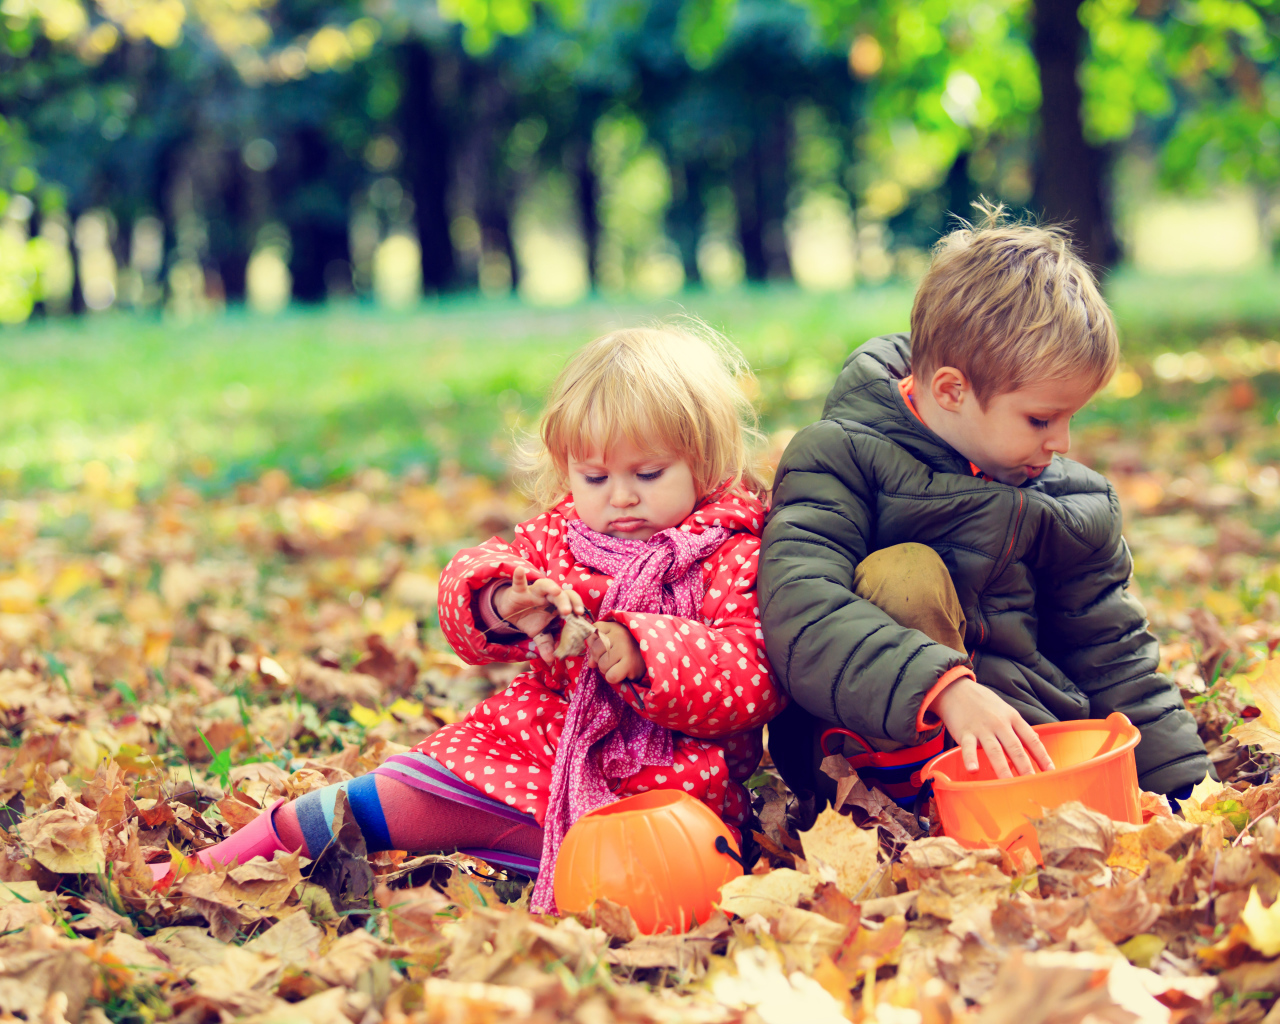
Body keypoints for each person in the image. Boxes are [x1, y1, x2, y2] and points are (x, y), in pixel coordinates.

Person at [155, 325, 781, 913]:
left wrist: (647, 650)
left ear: (704, 462)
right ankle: (199, 869)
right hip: (525, 754)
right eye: (594, 476)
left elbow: (753, 674)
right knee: (370, 800)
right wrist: (504, 603)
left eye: (648, 474)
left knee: (652, 878)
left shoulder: (730, 556)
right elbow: (466, 586)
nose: (620, 496)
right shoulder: (557, 541)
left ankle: (553, 856)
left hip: (663, 796)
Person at [759, 202, 1210, 813]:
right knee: (905, 574)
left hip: (1020, 744)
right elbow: (801, 608)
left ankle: (1016, 799)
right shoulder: (839, 458)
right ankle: (913, 801)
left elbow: (1111, 650)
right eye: (1041, 419)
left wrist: (1184, 786)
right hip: (870, 749)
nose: (1062, 443)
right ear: (951, 390)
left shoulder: (1069, 499)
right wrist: (940, 687)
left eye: (1071, 417)